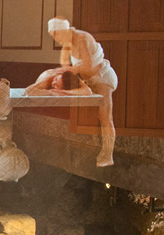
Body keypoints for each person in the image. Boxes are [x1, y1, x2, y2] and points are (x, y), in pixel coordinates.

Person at [33, 16, 118, 167]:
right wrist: (57, 77)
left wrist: (66, 70)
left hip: (102, 76)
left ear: (64, 30)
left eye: (57, 34)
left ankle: (108, 153)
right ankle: (95, 146)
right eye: (53, 36)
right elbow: (65, 64)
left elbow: (89, 69)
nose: (56, 39)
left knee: (105, 115)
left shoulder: (81, 39)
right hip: (87, 80)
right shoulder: (67, 43)